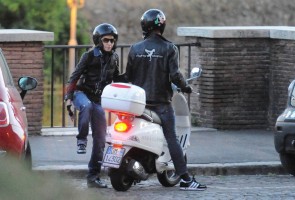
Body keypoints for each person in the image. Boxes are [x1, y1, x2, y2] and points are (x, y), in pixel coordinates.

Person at [125, 9, 207, 191]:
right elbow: (175, 75)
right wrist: (186, 86)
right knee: (172, 138)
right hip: (160, 104)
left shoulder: (135, 48)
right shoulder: (169, 48)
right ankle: (186, 179)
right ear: (162, 25)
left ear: (144, 25)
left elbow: (128, 76)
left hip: (139, 104)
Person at [64, 23, 126, 188]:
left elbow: (117, 78)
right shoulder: (89, 56)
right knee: (87, 107)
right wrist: (68, 99)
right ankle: (81, 140)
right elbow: (74, 77)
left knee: (100, 139)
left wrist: (132, 74)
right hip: (81, 94)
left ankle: (93, 177)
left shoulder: (114, 57)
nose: (109, 43)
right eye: (106, 40)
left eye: (112, 40)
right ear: (99, 40)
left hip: (97, 100)